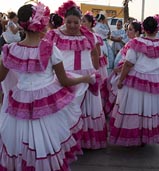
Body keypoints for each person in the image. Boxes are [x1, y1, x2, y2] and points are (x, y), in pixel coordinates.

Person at [0, 3, 93, 170]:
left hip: (19, 101)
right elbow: (64, 81)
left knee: (20, 142)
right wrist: (84, 78)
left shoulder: (10, 49)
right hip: (46, 102)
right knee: (45, 144)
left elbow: (1, 77)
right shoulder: (50, 49)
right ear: (42, 23)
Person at [45, 0, 107, 149]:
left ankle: (83, 143)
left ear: (81, 22)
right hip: (62, 78)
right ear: (64, 20)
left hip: (86, 77)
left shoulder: (90, 36)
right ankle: (65, 143)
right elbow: (47, 56)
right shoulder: (54, 35)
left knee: (86, 110)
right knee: (65, 111)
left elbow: (94, 54)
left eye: (76, 22)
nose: (72, 25)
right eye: (69, 22)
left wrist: (95, 70)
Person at [109, 15, 159, 146]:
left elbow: (128, 64)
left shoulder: (136, 43)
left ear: (143, 29)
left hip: (136, 80)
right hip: (156, 80)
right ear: (157, 28)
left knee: (134, 109)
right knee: (149, 109)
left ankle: (134, 136)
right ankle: (145, 137)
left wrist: (121, 80)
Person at [102, 21, 142, 116]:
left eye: (130, 30)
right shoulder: (132, 42)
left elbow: (130, 62)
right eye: (127, 30)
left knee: (117, 92)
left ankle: (116, 114)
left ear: (137, 32)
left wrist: (119, 70)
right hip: (122, 70)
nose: (127, 32)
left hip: (126, 73)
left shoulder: (135, 43)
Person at [82, 11, 108, 81]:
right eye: (81, 21)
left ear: (90, 23)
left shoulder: (94, 36)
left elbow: (98, 53)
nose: (81, 23)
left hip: (94, 64)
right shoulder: (81, 35)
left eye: (84, 21)